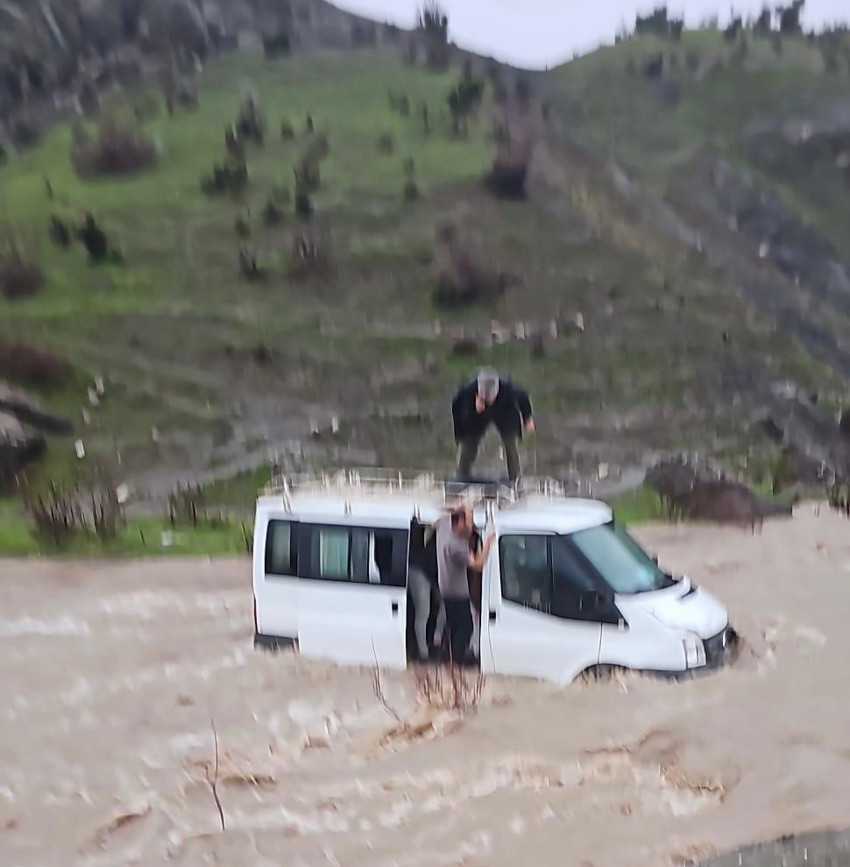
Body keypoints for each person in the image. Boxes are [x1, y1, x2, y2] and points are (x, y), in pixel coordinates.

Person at [434, 504, 494, 664]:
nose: (472, 525)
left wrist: (461, 506)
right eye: (469, 521)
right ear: (459, 522)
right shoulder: (456, 546)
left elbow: (442, 515)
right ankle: (454, 663)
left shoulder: (445, 524)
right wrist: (488, 543)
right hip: (456, 594)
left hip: (445, 590)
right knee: (466, 627)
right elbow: (477, 565)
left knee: (452, 627)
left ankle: (447, 654)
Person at [451, 368, 534, 482]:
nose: (488, 401)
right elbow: (458, 411)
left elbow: (524, 398)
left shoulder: (508, 387)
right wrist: (472, 409)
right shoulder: (467, 390)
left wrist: (527, 418)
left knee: (510, 443)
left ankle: (516, 479)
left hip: (504, 411)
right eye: (486, 398)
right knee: (469, 442)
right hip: (477, 414)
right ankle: (461, 475)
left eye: (490, 397)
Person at [408, 520, 439, 661]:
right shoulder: (438, 540)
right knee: (423, 612)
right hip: (418, 570)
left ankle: (436, 640)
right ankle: (423, 652)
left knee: (443, 603)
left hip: (431, 574)